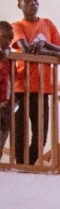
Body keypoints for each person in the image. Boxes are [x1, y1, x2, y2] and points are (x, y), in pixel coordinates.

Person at [10, 0, 60, 166]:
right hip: (21, 87)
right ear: (19, 5)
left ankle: (26, 165)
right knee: (20, 131)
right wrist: (51, 52)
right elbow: (27, 49)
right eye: (28, 1)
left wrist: (45, 44)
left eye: (36, 1)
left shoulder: (48, 24)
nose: (33, 4)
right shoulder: (17, 26)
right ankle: (21, 165)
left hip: (43, 87)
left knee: (41, 134)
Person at [0, 22, 15, 158]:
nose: (8, 42)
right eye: (5, 37)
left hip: (5, 100)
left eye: (11, 38)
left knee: (4, 129)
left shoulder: (8, 55)